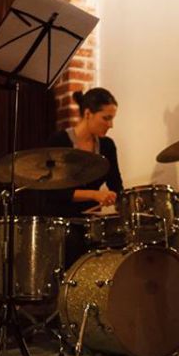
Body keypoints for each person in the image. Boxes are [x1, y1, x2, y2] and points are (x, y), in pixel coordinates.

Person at [45, 88, 124, 267]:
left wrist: (123, 201)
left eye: (112, 119)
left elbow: (116, 184)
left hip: (92, 224)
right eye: (106, 118)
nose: (110, 125)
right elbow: (54, 193)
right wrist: (95, 195)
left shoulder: (107, 146)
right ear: (88, 114)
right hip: (62, 223)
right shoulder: (60, 140)